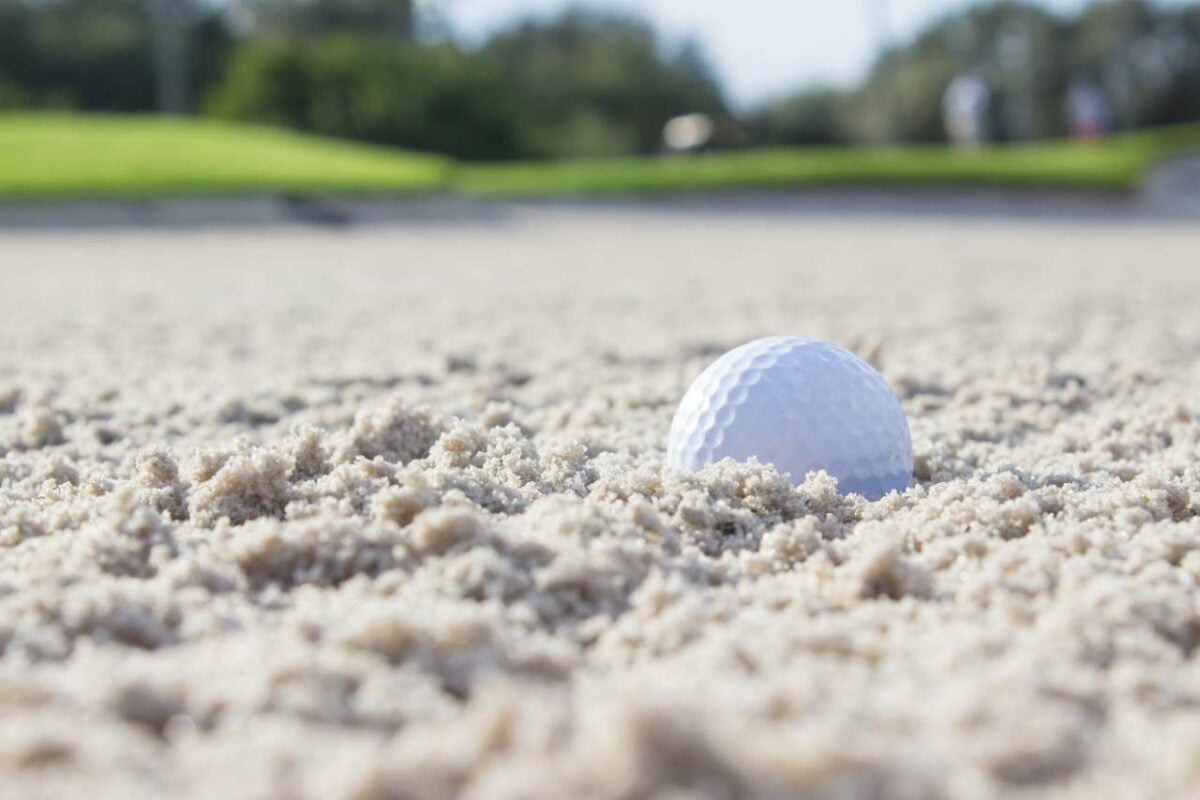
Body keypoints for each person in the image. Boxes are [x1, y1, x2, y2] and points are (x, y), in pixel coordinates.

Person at [942, 73, 991, 148]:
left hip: (973, 116)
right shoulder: (955, 84)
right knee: (958, 138)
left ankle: (972, 154)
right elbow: (948, 101)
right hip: (957, 115)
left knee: (972, 137)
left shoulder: (978, 85)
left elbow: (984, 100)